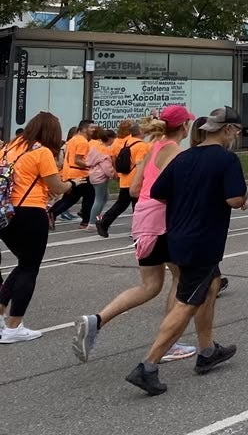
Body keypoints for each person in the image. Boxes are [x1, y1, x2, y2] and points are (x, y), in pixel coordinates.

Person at [124, 106, 247, 396]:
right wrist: (241, 198)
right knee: (187, 302)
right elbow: (233, 198)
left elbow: (158, 191)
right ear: (227, 130)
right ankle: (148, 366)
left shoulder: (183, 157)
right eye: (237, 131)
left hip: (177, 236)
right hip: (202, 240)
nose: (236, 137)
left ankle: (207, 350)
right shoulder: (227, 160)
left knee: (212, 285)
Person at [72, 112, 201, 363]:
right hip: (163, 220)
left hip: (142, 218)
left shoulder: (151, 147)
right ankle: (170, 342)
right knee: (180, 276)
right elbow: (171, 191)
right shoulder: (175, 151)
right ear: (185, 126)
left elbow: (134, 189)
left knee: (150, 286)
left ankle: (97, 320)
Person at [0, 112, 82, 343]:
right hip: (31, 212)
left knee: (23, 263)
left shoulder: (8, 148)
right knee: (29, 268)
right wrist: (73, 183)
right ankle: (14, 326)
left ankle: (1, 314)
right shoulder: (41, 151)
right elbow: (56, 186)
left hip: (5, 212)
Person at [96, 117, 153, 238]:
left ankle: (104, 222)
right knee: (137, 207)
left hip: (125, 179)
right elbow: (139, 163)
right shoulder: (141, 145)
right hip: (135, 180)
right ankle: (138, 230)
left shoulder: (127, 142)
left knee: (121, 204)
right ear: (140, 132)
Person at [48, 120, 96, 229]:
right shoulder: (82, 142)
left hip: (71, 172)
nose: (94, 130)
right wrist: (91, 165)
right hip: (80, 173)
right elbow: (78, 160)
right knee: (88, 196)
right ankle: (85, 220)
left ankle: (53, 213)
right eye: (92, 128)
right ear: (84, 129)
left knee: (72, 197)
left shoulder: (73, 139)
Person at [85, 128, 116, 232]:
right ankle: (92, 222)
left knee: (104, 198)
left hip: (94, 175)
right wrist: (114, 175)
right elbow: (107, 167)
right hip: (100, 177)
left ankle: (96, 219)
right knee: (99, 199)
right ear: (110, 139)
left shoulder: (96, 147)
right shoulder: (104, 151)